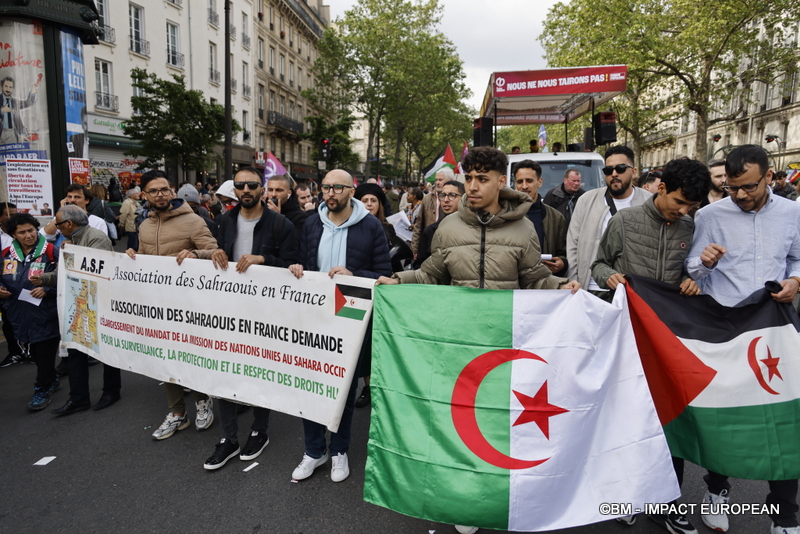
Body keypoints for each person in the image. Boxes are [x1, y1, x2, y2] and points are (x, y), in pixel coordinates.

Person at [685, 144, 800, 534]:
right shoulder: (709, 215)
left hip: (774, 329)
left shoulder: (793, 212)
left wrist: (795, 281)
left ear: (769, 176)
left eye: (749, 187)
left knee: (783, 419)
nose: (741, 195)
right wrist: (703, 262)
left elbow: (798, 258)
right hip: (725, 330)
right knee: (727, 418)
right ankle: (717, 490)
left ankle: (784, 511)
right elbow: (689, 269)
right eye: (733, 188)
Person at [288, 169, 391, 484]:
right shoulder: (310, 223)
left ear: (351, 190)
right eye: (325, 187)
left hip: (349, 317)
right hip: (314, 318)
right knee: (310, 386)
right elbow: (302, 264)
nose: (330, 193)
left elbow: (384, 274)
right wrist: (296, 268)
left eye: (337, 188)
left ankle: (339, 451)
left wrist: (354, 274)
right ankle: (314, 450)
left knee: (343, 390)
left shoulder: (371, 227)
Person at [197, 167, 299, 470]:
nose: (245, 190)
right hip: (228, 311)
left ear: (262, 189)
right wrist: (213, 252)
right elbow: (220, 255)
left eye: (252, 185)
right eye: (240, 185)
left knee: (260, 373)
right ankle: (228, 439)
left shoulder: (281, 225)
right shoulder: (224, 222)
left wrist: (263, 260)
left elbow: (294, 267)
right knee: (224, 371)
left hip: (264, 314)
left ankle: (259, 430)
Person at [380, 146, 580, 292]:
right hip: (462, 330)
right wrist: (398, 280)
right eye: (469, 178)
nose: (472, 187)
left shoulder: (525, 229)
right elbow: (431, 275)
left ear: (501, 181)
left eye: (482, 179)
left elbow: (534, 280)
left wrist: (561, 285)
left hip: (503, 335)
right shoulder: (447, 226)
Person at [126, 170, 219, 440]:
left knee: (191, 356)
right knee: (165, 359)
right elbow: (144, 259)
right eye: (153, 191)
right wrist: (133, 256)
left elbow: (215, 252)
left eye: (164, 189)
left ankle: (202, 401)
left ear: (172, 191)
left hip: (189, 305)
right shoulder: (144, 225)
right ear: (145, 195)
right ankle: (177, 413)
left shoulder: (192, 220)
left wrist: (194, 253)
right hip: (158, 305)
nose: (160, 195)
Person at [34, 205, 122, 415]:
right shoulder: (71, 241)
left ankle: (111, 391)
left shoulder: (95, 238)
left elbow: (98, 272)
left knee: (106, 350)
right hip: (78, 303)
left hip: (98, 303)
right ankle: (78, 398)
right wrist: (44, 278)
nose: (56, 228)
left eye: (57, 224)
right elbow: (63, 271)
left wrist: (72, 251)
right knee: (75, 351)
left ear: (69, 224)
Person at [567, 145, 649, 294]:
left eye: (621, 168)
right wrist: (575, 281)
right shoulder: (587, 200)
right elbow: (573, 243)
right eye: (608, 170)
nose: (614, 174)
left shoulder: (649, 202)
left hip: (634, 291)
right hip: (591, 288)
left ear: (634, 171)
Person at [0, 213, 60, 411]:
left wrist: (47, 288)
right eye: (22, 232)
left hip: (46, 313)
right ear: (13, 235)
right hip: (18, 313)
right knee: (34, 350)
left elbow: (67, 277)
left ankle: (42, 388)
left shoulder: (51, 251)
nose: (28, 235)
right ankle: (50, 378)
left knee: (44, 350)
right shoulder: (6, 254)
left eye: (31, 230)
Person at [513, 160, 568, 276]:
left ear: (539, 182)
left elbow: (563, 252)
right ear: (514, 184)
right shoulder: (504, 214)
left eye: (529, 181)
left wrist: (562, 263)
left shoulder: (556, 218)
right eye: (520, 181)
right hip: (513, 285)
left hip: (545, 285)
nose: (524, 186)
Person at [413, 180, 464, 269]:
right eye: (443, 195)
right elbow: (420, 266)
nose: (446, 200)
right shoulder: (431, 231)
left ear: (464, 198)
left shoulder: (473, 228)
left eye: (452, 195)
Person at [41, 184, 109, 240]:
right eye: (69, 197)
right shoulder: (61, 220)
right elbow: (44, 235)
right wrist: (61, 213)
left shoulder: (97, 222)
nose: (72, 200)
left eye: (77, 197)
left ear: (87, 200)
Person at [411, 168, 452, 256]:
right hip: (428, 246)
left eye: (441, 180)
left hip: (447, 246)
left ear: (450, 181)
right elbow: (419, 225)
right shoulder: (427, 199)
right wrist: (414, 248)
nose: (437, 182)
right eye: (436, 180)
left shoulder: (456, 199)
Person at [265, 174, 309, 239]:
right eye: (270, 190)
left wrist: (278, 219)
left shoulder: (301, 217)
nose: (273, 194)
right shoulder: (260, 211)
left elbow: (293, 243)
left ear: (289, 193)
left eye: (279, 190)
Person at [1, 76, 40, 145]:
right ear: (2, 86)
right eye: (6, 86)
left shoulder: (15, 102)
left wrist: (33, 89)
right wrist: (2, 110)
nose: (8, 89)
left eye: (10, 87)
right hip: (1, 131)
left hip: (12, 133)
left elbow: (28, 102)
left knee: (12, 153)